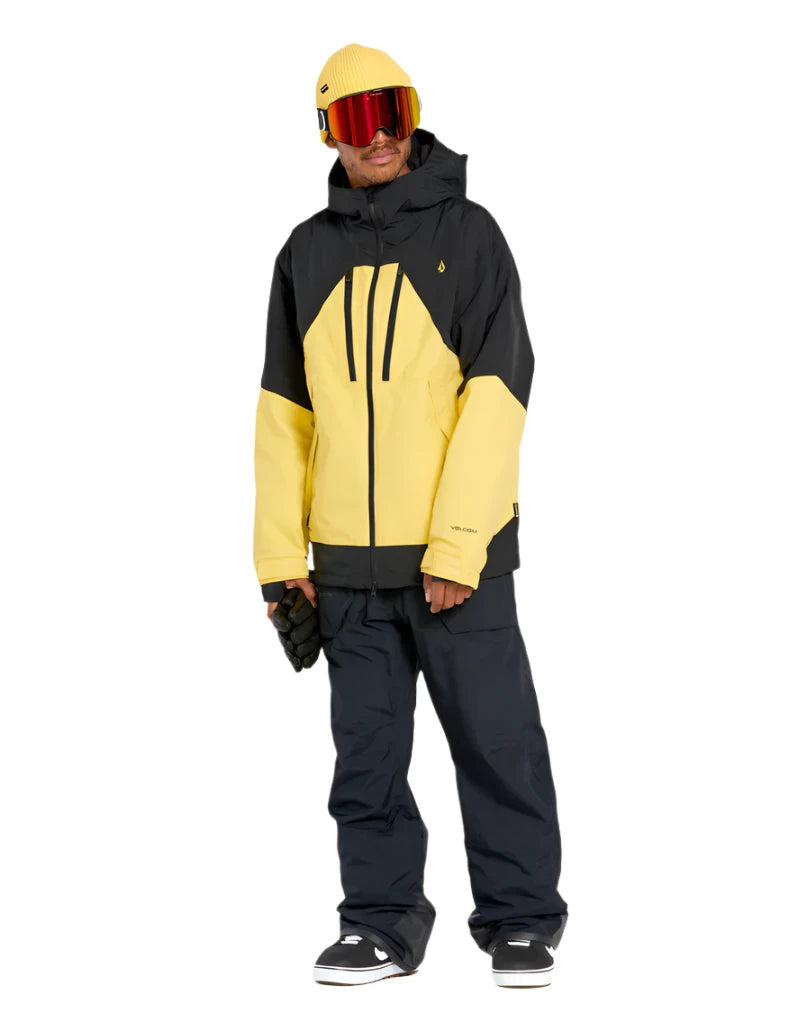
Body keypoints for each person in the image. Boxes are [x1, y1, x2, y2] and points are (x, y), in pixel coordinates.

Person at [253, 42, 568, 988]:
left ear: (411, 114)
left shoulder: (469, 236)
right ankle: (379, 922)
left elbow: (497, 395)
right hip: (346, 570)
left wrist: (458, 544)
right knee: (367, 760)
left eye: (390, 110)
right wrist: (281, 556)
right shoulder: (304, 253)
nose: (378, 134)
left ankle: (520, 918)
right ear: (327, 132)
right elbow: (283, 414)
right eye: (355, 118)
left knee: (497, 743)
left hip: (453, 565)